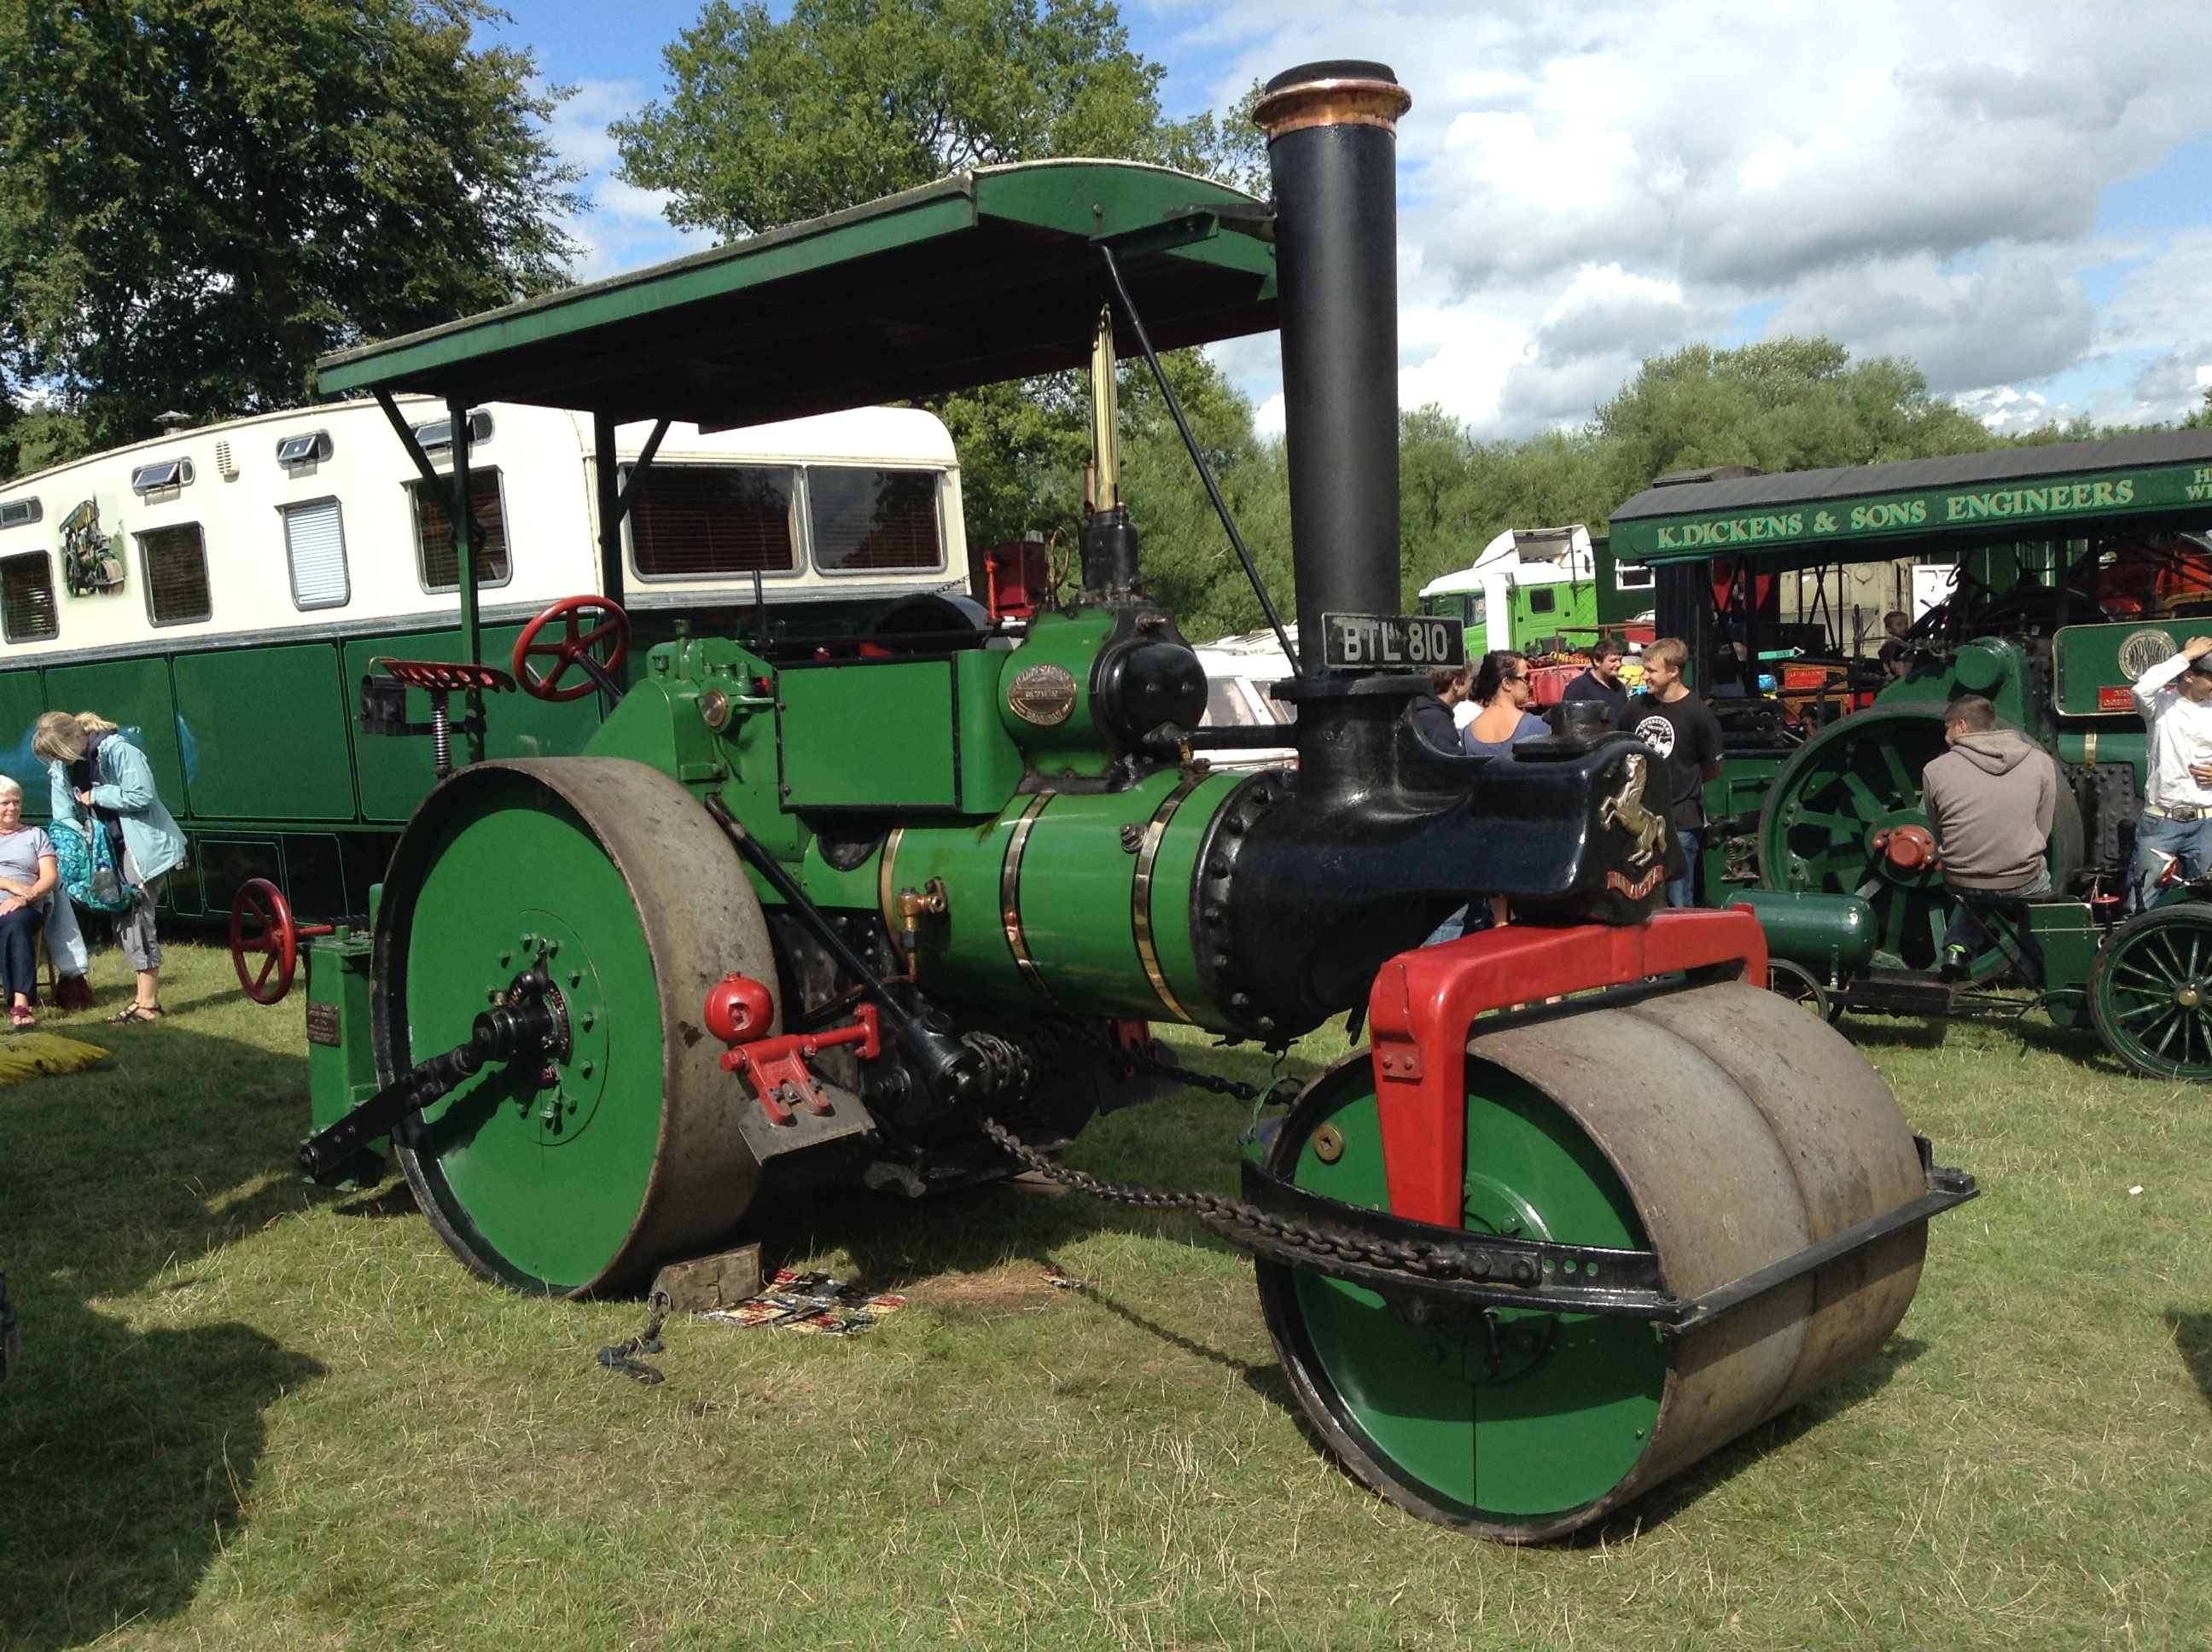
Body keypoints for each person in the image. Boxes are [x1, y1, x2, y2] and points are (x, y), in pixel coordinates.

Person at [32, 711, 186, 1023]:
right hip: (104, 852)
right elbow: (63, 815)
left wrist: (97, 795)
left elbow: (142, 794)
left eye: (58, 754)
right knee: (123, 921)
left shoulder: (118, 750)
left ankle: (149, 1004)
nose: (58, 762)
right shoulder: (64, 765)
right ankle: (142, 1001)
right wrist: (71, 843)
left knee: (136, 919)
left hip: (141, 848)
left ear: (76, 737)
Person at [1920, 695, 2058, 980]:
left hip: (1962, 877)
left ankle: (1957, 948)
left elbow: (1939, 829)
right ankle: (2036, 966)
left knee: (1976, 888)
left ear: (1961, 726)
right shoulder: (2040, 762)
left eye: (1947, 730)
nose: (1946, 738)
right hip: (2022, 879)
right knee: (2034, 890)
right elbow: (2043, 828)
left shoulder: (1934, 770)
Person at [1627, 637, 1724, 907]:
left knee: (1679, 900)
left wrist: (1681, 785)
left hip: (1681, 821)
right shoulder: (1635, 708)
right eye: (1645, 669)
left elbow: (1714, 768)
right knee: (1636, 898)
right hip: (1639, 820)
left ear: (1674, 672)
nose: (1645, 676)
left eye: (1651, 671)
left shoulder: (1698, 714)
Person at [2127, 637, 2212, 911]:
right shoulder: (2161, 705)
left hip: (2207, 821)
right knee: (2140, 903)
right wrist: (2186, 655)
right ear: (2189, 676)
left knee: (2205, 903)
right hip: (2162, 819)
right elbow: (2141, 690)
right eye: (2210, 677)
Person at [0, 777, 57, 1028]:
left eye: (17, 802)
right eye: (5, 803)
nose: (12, 808)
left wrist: (26, 897)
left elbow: (50, 877)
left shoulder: (35, 835)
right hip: (10, 896)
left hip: (25, 907)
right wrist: (10, 885)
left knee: (15, 925)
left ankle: (21, 1003)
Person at [1461, 651, 1551, 759]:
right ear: (1507, 683)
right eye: (1526, 677)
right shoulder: (1538, 726)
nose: (1530, 683)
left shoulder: (1467, 733)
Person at [1560, 637, 1629, 729]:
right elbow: (1566, 723)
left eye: (1620, 660)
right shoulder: (1578, 688)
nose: (1618, 664)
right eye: (1613, 661)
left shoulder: (1619, 687)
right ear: (1597, 661)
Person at [1410, 663, 1472, 754]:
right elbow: (1451, 762)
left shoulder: (1424, 707)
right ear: (1456, 684)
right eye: (1470, 678)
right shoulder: (1437, 721)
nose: (1472, 683)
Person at [1877, 610, 1913, 681]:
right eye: (1899, 625)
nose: (1904, 627)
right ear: (1889, 629)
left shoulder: (1910, 642)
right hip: (1899, 676)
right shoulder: (1890, 645)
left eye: (1906, 624)